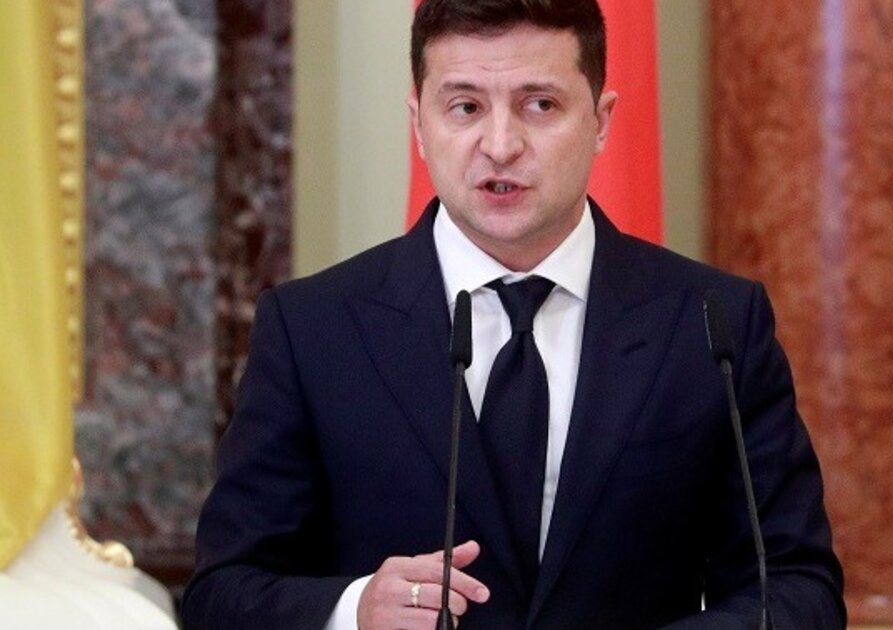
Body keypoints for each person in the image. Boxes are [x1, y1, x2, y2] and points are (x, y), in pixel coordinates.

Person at [181, 1, 844, 628]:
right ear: (418, 124)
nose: (500, 145)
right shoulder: (313, 330)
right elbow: (220, 594)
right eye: (466, 106)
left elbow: (797, 586)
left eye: (540, 104)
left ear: (602, 120)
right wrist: (356, 609)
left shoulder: (713, 325)